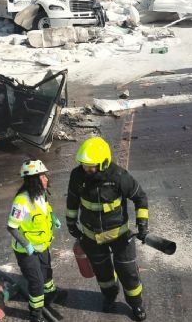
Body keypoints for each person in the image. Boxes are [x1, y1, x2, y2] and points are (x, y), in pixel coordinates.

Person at [66, 137, 149, 321]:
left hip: (120, 236)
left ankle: (136, 304)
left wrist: (142, 223)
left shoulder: (118, 176)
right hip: (92, 237)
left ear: (103, 163)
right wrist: (71, 224)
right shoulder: (77, 176)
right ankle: (109, 296)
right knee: (103, 274)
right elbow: (72, 201)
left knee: (128, 272)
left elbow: (140, 198)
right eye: (84, 165)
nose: (86, 169)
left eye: (90, 166)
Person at [7, 160, 65, 322]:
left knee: (46, 273)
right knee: (36, 283)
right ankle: (35, 314)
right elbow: (11, 227)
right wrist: (27, 245)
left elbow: (45, 210)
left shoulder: (41, 194)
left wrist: (53, 217)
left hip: (42, 245)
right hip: (26, 251)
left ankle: (51, 295)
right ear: (33, 179)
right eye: (42, 176)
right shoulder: (22, 201)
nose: (46, 178)